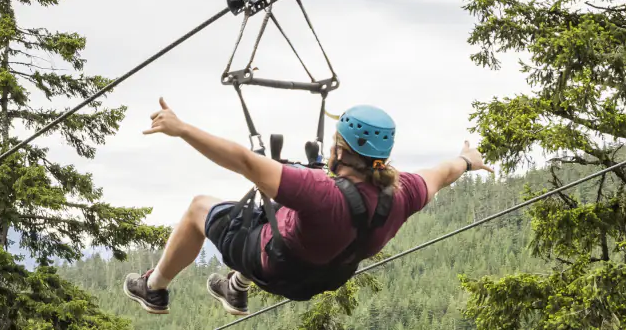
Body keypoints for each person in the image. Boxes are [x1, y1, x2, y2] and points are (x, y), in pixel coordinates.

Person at [124, 100, 492, 314]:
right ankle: (235, 286)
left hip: (274, 264)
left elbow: (245, 162)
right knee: (276, 215)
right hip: (319, 279)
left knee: (199, 209)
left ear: (340, 150)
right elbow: (442, 173)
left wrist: (182, 128)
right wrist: (467, 160)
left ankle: (154, 288)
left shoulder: (320, 193)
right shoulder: (401, 193)